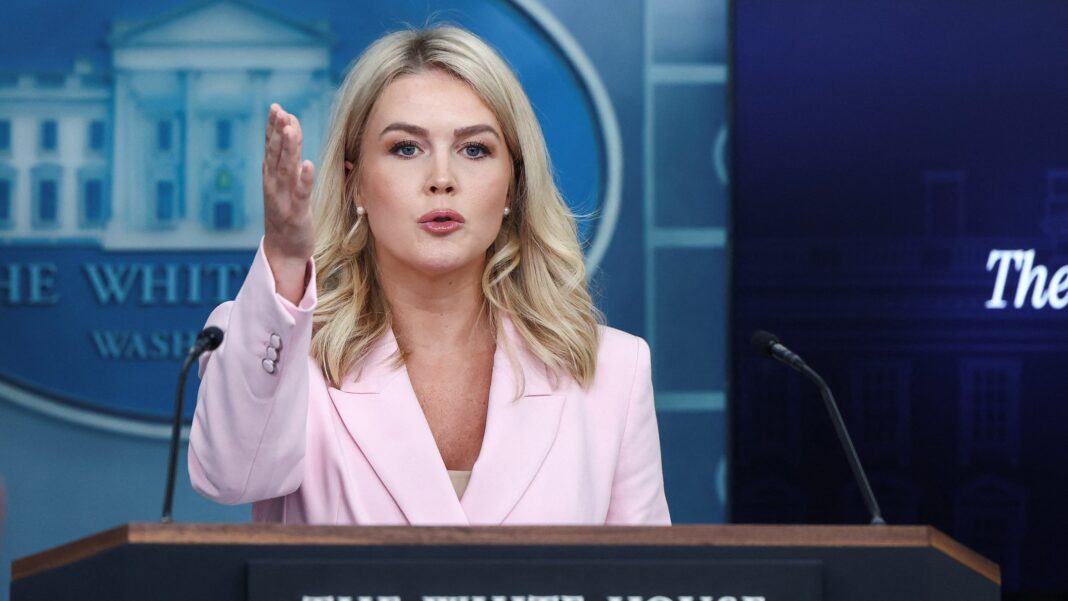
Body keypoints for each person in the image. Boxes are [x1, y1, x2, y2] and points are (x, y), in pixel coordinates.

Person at [189, 26, 670, 525]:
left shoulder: (613, 369)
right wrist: (286, 259)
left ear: (512, 186)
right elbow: (230, 478)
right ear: (355, 185)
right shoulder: (279, 346)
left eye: (475, 150)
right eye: (406, 148)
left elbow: (647, 580)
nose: (442, 178)